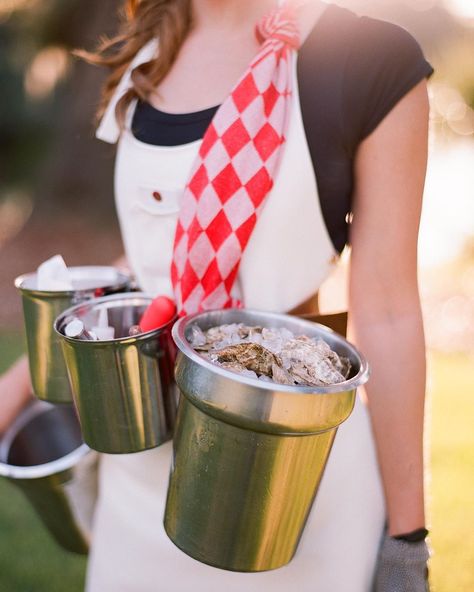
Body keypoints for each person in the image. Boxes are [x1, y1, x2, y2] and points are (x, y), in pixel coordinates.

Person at [1, 0, 433, 590]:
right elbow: (156, 260)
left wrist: (406, 540)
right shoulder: (145, 53)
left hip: (291, 476)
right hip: (144, 470)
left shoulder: (370, 61)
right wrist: (17, 383)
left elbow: (388, 311)